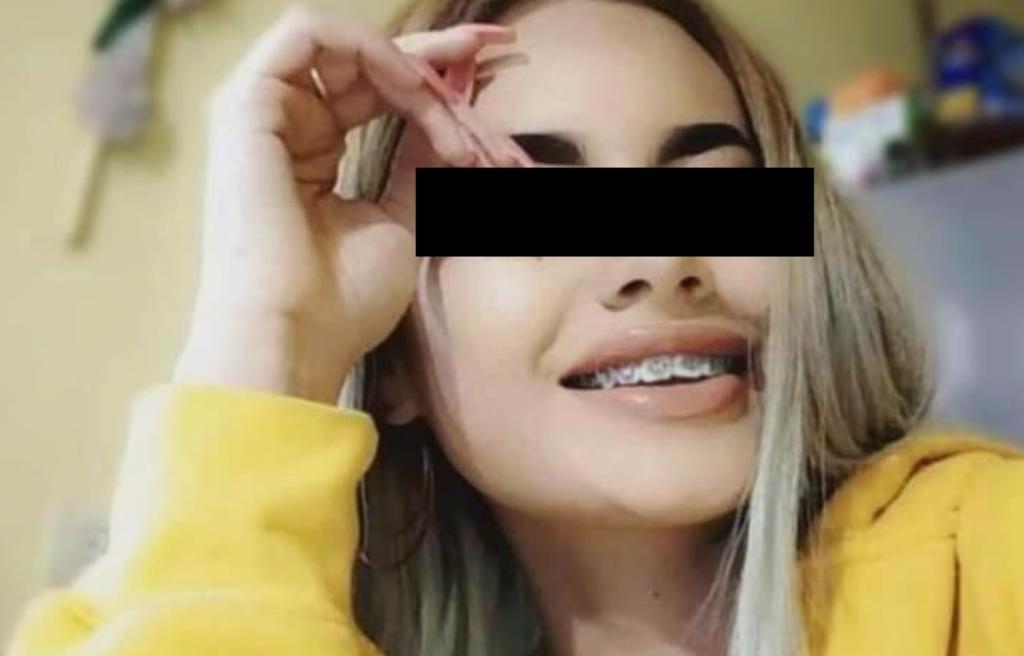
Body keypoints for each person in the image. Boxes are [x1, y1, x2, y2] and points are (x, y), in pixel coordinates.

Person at [9, 1, 1024, 655]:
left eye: (713, 188)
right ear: (390, 359)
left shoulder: (986, 553)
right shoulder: (146, 616)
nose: (654, 259)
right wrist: (267, 337)